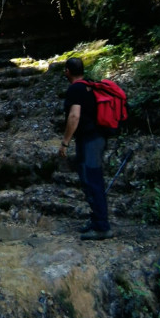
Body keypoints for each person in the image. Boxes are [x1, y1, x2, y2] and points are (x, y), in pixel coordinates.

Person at [59, 57, 113, 240]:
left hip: (90, 141)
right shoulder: (91, 85)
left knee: (92, 180)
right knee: (92, 179)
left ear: (67, 71)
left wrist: (65, 142)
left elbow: (74, 116)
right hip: (98, 138)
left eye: (65, 71)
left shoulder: (75, 89)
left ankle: (102, 227)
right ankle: (97, 219)